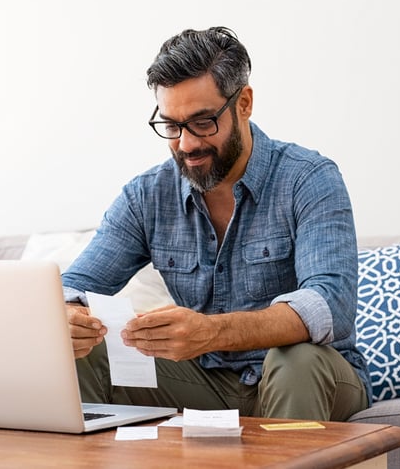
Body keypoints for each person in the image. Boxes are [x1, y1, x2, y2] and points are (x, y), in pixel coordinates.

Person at [62, 26, 371, 421]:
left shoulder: (309, 178)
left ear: (243, 102)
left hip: (313, 380)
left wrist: (212, 331)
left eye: (203, 121)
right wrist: (67, 319)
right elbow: (72, 288)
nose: (187, 144)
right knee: (82, 354)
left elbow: (330, 304)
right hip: (204, 381)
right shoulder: (146, 195)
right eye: (172, 126)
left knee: (296, 360)